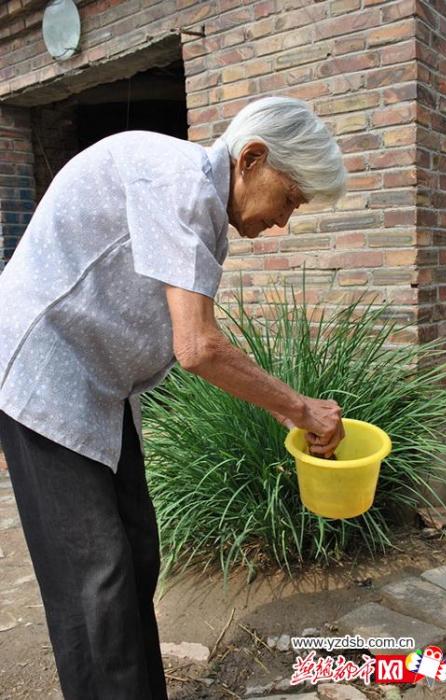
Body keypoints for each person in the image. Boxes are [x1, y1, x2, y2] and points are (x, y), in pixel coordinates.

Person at [0, 96, 347, 699]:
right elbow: (198, 347)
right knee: (96, 576)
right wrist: (300, 408)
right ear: (253, 159)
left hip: (99, 387)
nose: (284, 222)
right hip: (44, 374)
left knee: (136, 548)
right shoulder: (177, 181)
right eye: (291, 199)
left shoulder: (203, 202)